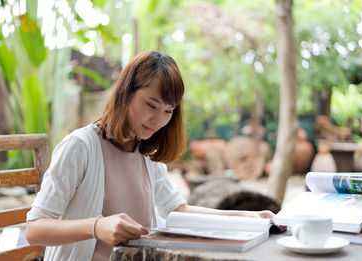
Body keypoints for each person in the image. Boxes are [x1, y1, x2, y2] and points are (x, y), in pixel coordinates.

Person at [25, 51, 275, 260]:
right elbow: (35, 229)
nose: (158, 120)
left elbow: (178, 210)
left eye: (168, 110)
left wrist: (248, 216)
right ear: (125, 93)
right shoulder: (80, 146)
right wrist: (96, 226)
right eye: (151, 105)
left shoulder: (144, 152)